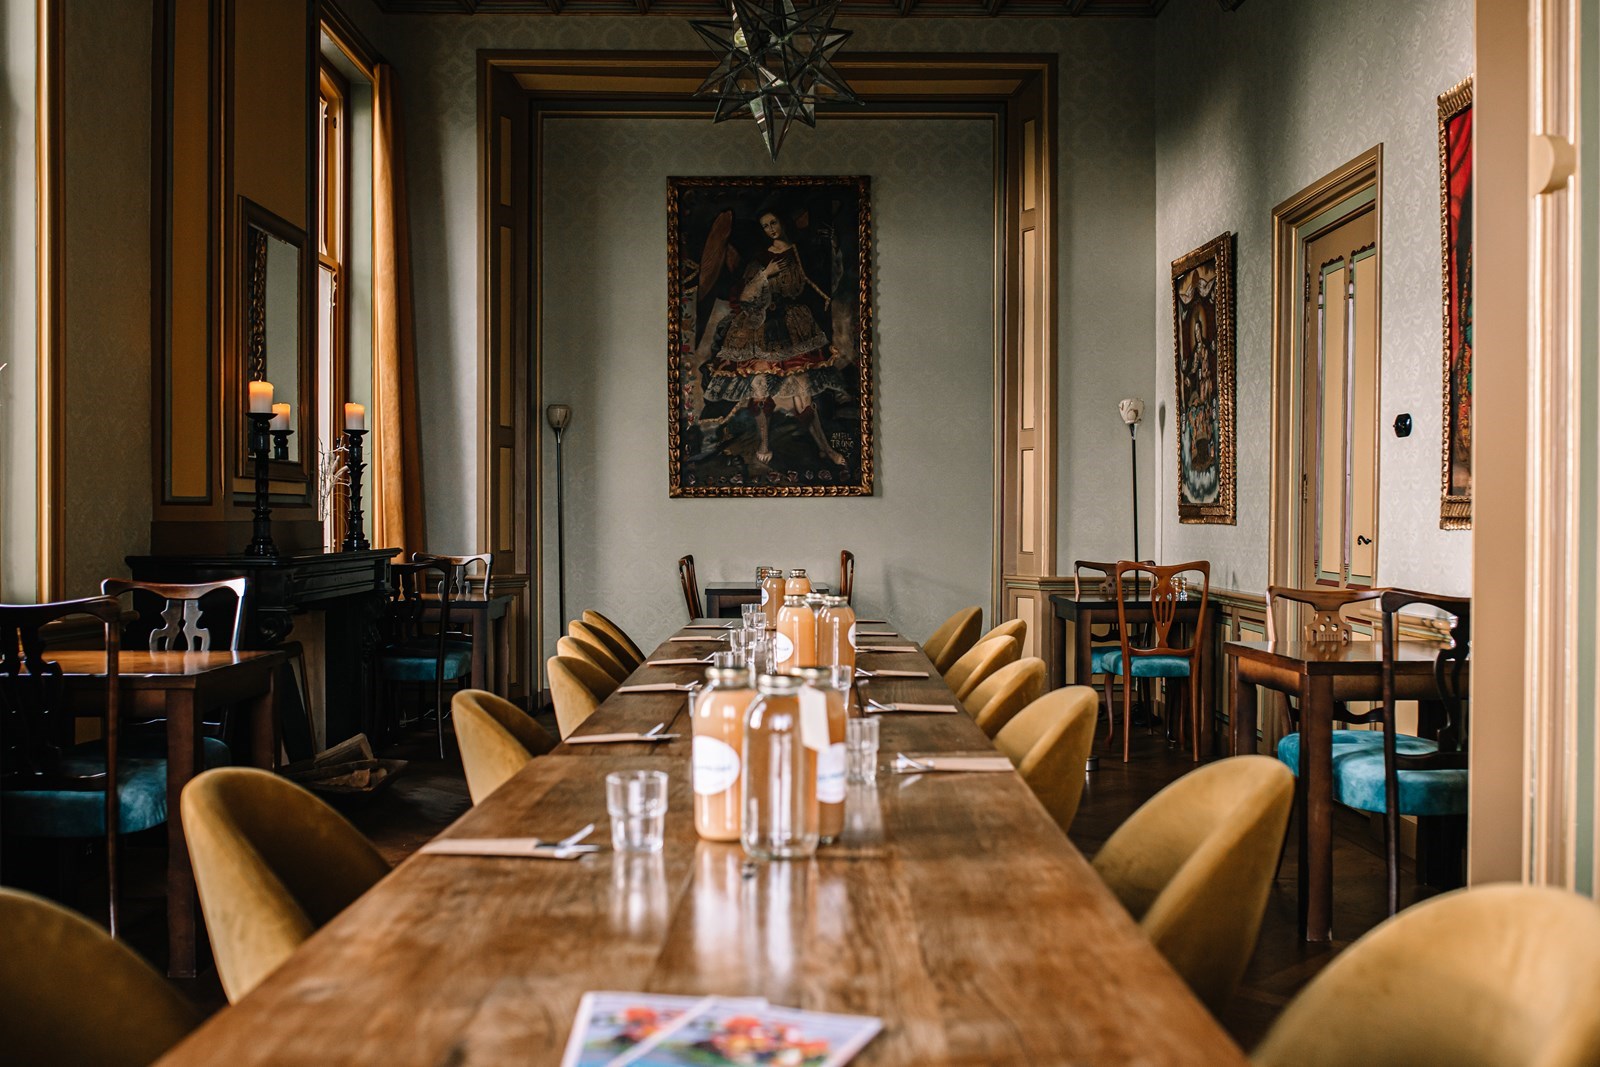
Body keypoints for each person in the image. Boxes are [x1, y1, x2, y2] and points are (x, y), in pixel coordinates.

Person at [698, 210, 849, 468]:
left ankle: (825, 447)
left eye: (774, 223)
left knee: (803, 391)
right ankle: (764, 443)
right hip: (763, 330)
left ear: (783, 222)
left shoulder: (802, 253)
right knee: (759, 386)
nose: (770, 229)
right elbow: (746, 296)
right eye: (765, 226)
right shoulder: (760, 259)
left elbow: (822, 283)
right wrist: (765, 274)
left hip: (795, 329)